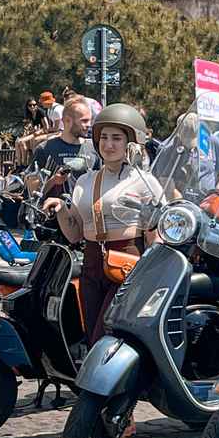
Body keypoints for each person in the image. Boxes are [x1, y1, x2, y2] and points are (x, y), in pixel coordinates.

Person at [41, 104, 160, 343]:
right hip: (92, 260)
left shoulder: (145, 182)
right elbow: (75, 234)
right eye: (104, 137)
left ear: (132, 142)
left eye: (117, 138)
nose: (108, 144)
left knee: (106, 333)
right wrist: (61, 208)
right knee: (91, 332)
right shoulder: (86, 181)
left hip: (127, 261)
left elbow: (155, 236)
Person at [31, 95, 97, 178]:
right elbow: (31, 182)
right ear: (67, 120)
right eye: (84, 121)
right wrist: (52, 181)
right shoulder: (45, 149)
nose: (89, 125)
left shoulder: (94, 149)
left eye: (90, 121)